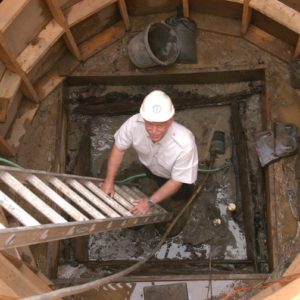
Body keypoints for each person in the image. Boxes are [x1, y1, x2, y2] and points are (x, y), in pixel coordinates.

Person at [101, 90, 198, 215]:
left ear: (170, 120)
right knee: (155, 178)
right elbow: (119, 149)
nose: (154, 131)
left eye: (160, 125)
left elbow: (176, 181)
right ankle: (159, 189)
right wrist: (109, 181)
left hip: (175, 178)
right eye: (149, 124)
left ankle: (177, 204)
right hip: (150, 167)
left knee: (180, 195)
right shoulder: (134, 124)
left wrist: (149, 203)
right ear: (144, 118)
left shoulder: (185, 143)